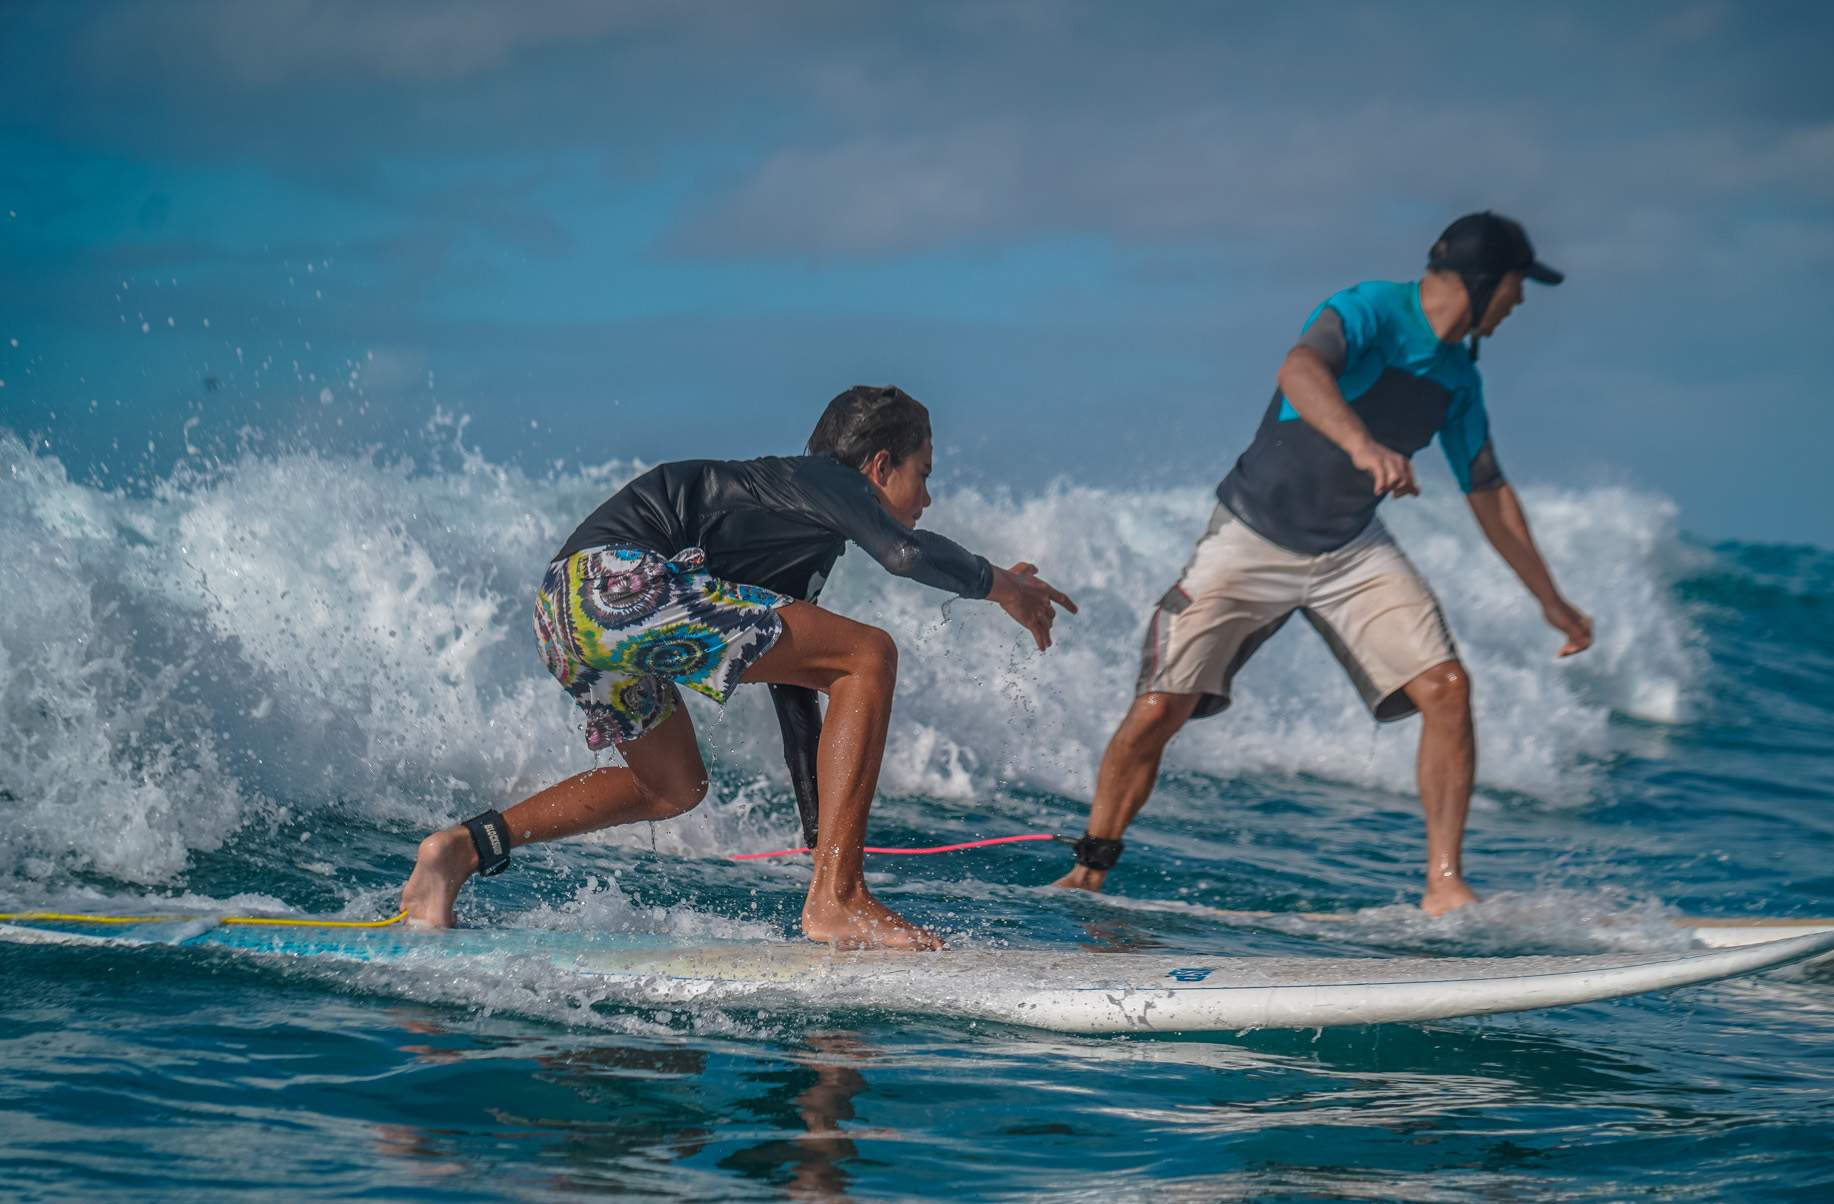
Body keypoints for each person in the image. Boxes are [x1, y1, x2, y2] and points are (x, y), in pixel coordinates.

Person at [399, 385, 1076, 947]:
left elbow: (797, 689)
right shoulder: (826, 481)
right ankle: (839, 900)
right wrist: (1002, 586)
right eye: (923, 474)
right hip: (621, 579)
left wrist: (820, 835)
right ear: (877, 466)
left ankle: (461, 848)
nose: (926, 497)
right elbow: (903, 554)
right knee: (872, 653)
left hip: (564, 609)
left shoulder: (797, 529)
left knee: (674, 786)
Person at [1055, 212, 1593, 914]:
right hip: (1249, 536)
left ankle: (1444, 884)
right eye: (1518, 285)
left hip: (1349, 549)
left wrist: (1550, 600)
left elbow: (1489, 493)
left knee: (1447, 687)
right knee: (1160, 706)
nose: (1520, 303)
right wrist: (1363, 444)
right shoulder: (1370, 308)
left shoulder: (1460, 379)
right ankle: (1090, 870)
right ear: (1485, 279)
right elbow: (1300, 370)